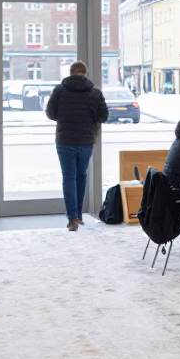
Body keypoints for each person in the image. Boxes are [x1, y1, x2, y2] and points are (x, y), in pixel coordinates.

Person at [45, 61, 109, 231]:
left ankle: (72, 218)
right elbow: (104, 116)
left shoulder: (59, 90)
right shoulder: (95, 93)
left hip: (65, 140)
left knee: (68, 178)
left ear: (71, 73)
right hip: (86, 141)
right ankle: (79, 215)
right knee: (81, 176)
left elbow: (50, 113)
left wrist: (64, 116)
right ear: (85, 74)